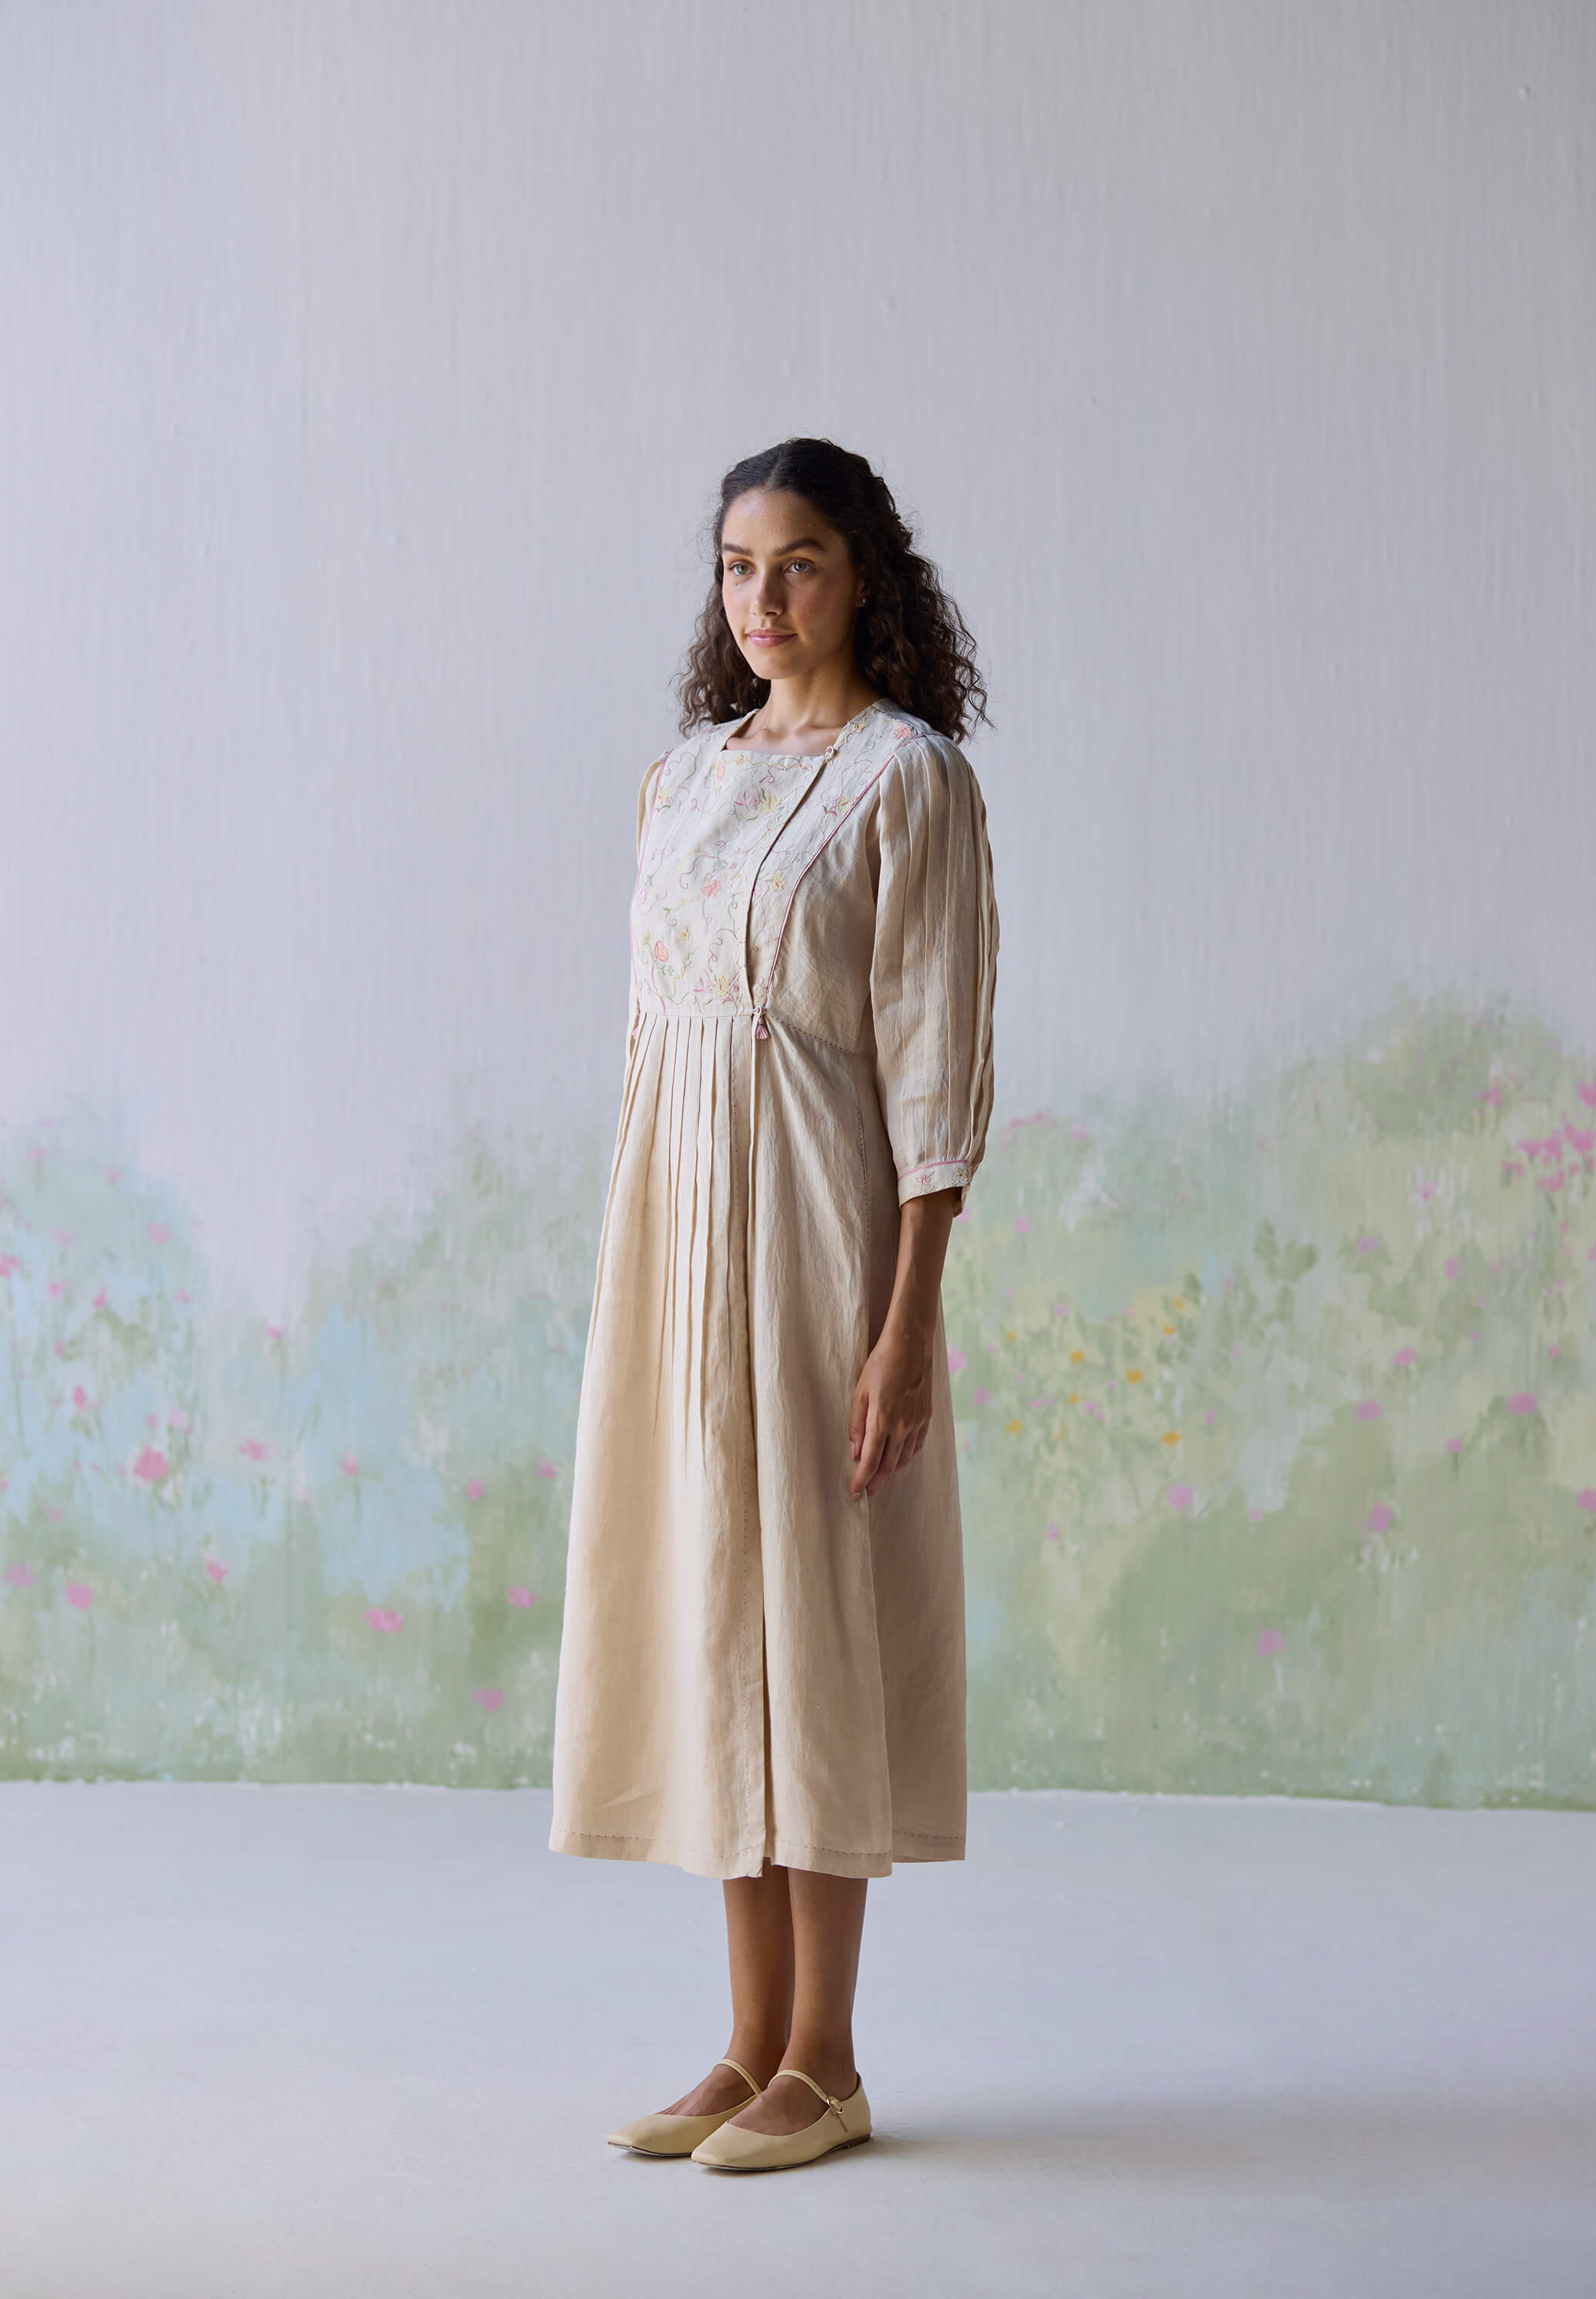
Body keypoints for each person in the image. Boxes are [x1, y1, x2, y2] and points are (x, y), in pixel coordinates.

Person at [549, 436, 999, 2173]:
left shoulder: (907, 784)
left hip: (821, 1239)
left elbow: (935, 1064)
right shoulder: (681, 781)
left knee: (810, 1617)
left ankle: (830, 2057)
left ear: (862, 575)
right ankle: (743, 2045)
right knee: (706, 1608)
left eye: (798, 563)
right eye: (739, 566)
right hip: (674, 1245)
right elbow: (660, 1046)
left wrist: (910, 1317)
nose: (764, 597)